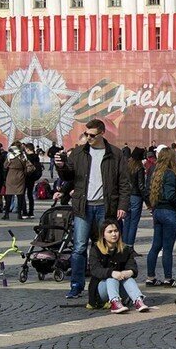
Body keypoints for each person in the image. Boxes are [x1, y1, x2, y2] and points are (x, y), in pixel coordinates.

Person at [55, 119, 130, 299]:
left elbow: (124, 183)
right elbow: (69, 176)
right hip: (83, 206)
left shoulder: (116, 154)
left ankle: (102, 283)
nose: (88, 138)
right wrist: (61, 166)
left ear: (102, 133)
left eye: (92, 135)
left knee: (104, 246)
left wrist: (122, 205)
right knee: (79, 247)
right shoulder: (79, 152)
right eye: (86, 134)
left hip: (105, 206)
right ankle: (76, 284)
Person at [87, 219, 149, 314]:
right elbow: (95, 270)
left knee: (129, 278)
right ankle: (115, 302)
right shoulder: (95, 250)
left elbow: (132, 266)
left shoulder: (125, 249)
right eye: (110, 232)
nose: (114, 234)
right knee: (111, 278)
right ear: (103, 235)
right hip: (101, 290)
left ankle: (138, 300)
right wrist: (112, 273)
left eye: (116, 231)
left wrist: (129, 272)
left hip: (121, 289)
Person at [145, 147, 176, 287]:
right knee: (167, 248)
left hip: (157, 211)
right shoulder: (170, 174)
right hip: (169, 212)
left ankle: (150, 276)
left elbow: (146, 191)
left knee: (155, 246)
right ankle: (168, 278)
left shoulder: (154, 171)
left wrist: (152, 206)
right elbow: (170, 195)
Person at [122, 147, 147, 253]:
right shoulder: (139, 168)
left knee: (127, 221)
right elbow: (141, 186)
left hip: (127, 196)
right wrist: (147, 199)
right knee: (134, 222)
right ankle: (130, 246)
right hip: (136, 196)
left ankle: (123, 245)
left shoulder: (126, 166)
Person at [2, 142, 29, 221]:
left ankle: (6, 214)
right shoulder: (23, 156)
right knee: (20, 196)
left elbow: (5, 165)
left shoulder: (10, 156)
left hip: (10, 175)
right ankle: (19, 214)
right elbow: (26, 165)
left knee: (9, 196)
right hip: (20, 176)